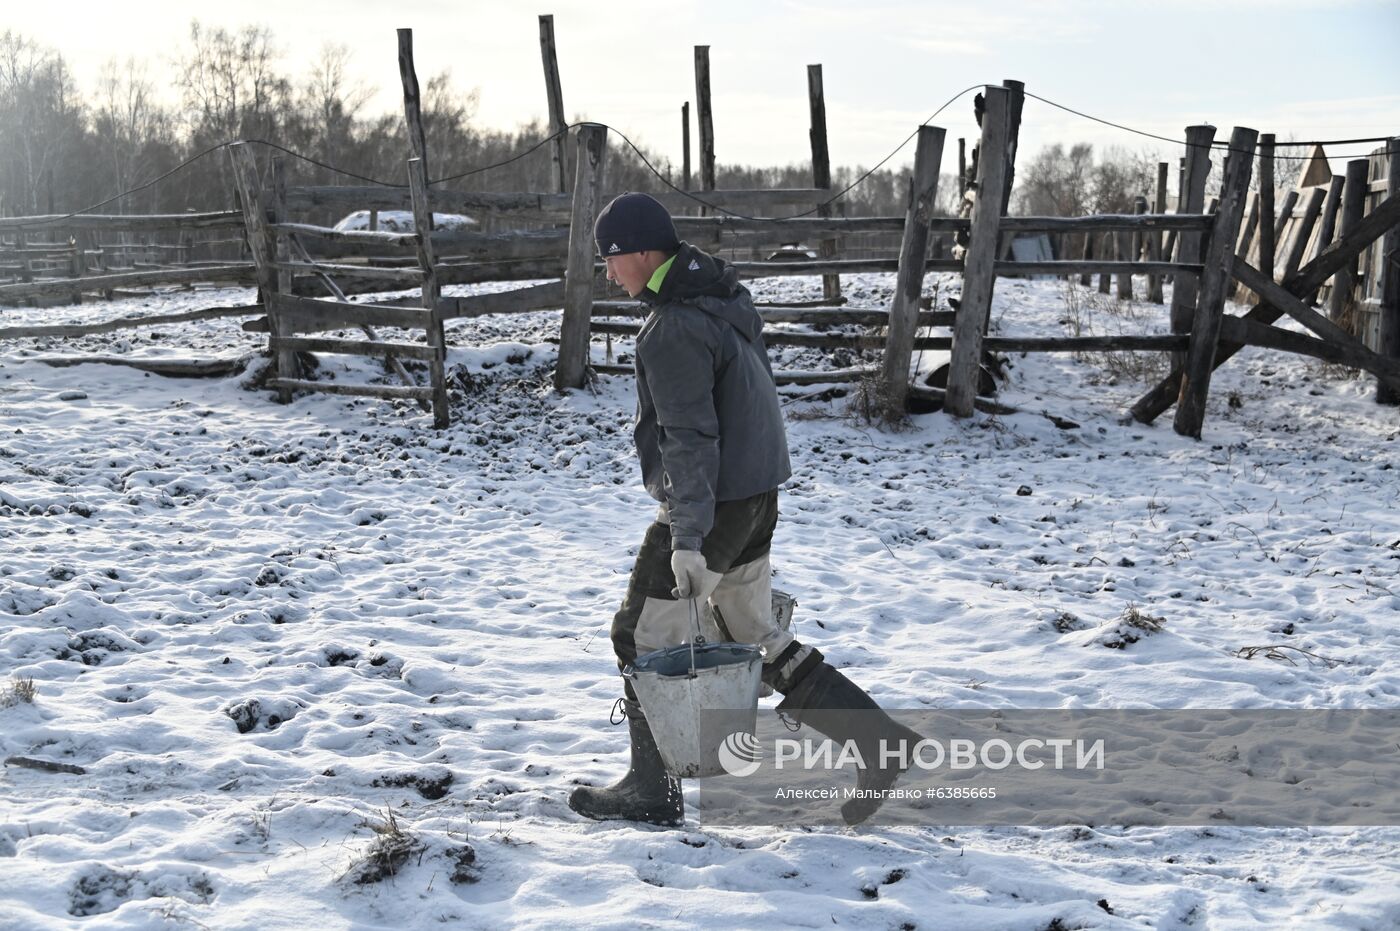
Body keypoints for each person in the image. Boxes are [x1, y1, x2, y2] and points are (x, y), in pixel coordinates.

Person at [567, 193, 919, 827]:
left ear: (644, 254)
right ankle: (879, 741)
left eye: (612, 257)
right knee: (749, 630)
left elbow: (692, 438)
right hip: (757, 497)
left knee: (637, 634)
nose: (609, 271)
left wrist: (688, 538)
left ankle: (651, 791)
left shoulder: (674, 328)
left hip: (716, 506)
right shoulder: (720, 295)